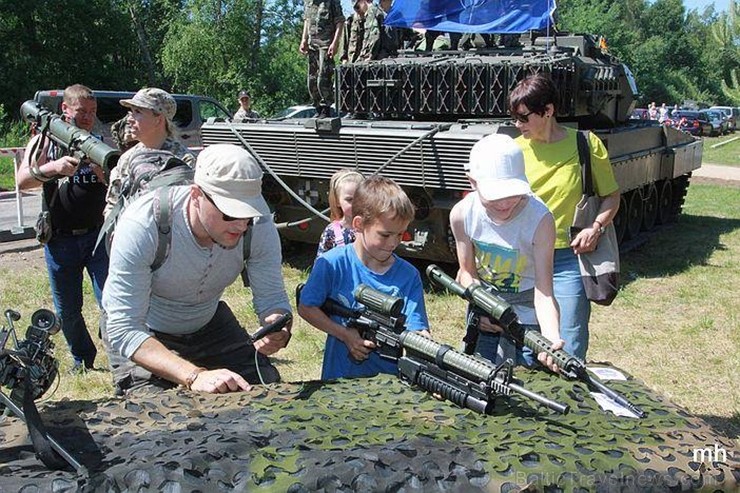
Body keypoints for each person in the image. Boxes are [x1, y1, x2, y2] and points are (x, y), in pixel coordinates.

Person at [102, 144, 293, 395]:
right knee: (155, 416)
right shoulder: (143, 223)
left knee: (266, 391)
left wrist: (277, 327)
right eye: (229, 212)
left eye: (248, 212)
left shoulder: (259, 225)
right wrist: (195, 376)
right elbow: (124, 328)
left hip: (209, 324)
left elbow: (273, 299)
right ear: (196, 195)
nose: (241, 224)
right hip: (146, 331)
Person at [509, 74, 620, 361]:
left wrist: (595, 227)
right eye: (514, 118)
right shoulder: (513, 151)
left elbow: (611, 196)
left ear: (548, 111)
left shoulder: (586, 144)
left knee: (569, 338)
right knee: (524, 337)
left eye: (523, 117)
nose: (517, 125)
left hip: (569, 257)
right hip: (524, 258)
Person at [298, 176, 430, 380]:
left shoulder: (408, 275)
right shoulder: (332, 263)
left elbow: (418, 329)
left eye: (400, 234)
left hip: (390, 387)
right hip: (339, 381)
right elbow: (306, 306)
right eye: (385, 235)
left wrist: (426, 348)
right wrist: (344, 334)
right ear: (358, 224)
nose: (393, 243)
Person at [450, 134, 563, 370]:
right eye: (494, 197)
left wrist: (551, 338)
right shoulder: (462, 214)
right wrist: (482, 307)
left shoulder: (540, 220)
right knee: (482, 379)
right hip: (486, 316)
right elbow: (467, 272)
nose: (503, 204)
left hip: (530, 318)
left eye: (511, 194)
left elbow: (544, 291)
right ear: (472, 181)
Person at [17, 84, 108, 373]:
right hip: (61, 240)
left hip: (97, 236)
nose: (88, 118)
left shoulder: (98, 142)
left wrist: (103, 173)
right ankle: (83, 360)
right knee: (68, 311)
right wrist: (53, 168)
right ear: (65, 110)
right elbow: (22, 181)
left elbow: (117, 183)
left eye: (92, 112)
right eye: (82, 112)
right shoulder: (45, 141)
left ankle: (121, 359)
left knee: (111, 302)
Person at [104, 88, 195, 218]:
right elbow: (113, 205)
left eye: (138, 112)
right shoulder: (127, 158)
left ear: (159, 119)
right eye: (131, 111)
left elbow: (188, 212)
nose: (129, 119)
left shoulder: (183, 161)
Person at [300, 0, 345, 116]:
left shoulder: (332, 2)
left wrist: (335, 43)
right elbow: (307, 20)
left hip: (325, 44)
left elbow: (340, 22)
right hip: (312, 45)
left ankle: (326, 107)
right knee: (311, 81)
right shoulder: (308, 2)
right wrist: (304, 40)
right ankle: (318, 107)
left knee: (323, 79)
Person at [316, 169, 364, 258]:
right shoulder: (331, 232)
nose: (356, 204)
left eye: (360, 198)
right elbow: (322, 263)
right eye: (349, 200)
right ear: (338, 201)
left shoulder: (371, 228)